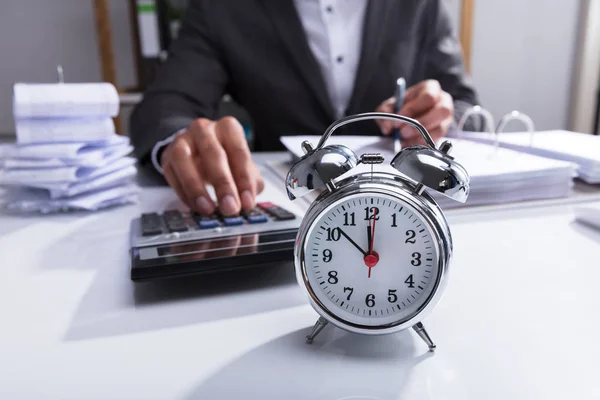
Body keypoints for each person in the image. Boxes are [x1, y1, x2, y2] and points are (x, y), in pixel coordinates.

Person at [130, 0, 480, 216]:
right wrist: (182, 142)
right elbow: (167, 103)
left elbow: (464, 102)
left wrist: (444, 114)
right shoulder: (223, 7)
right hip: (287, 206)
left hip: (403, 207)